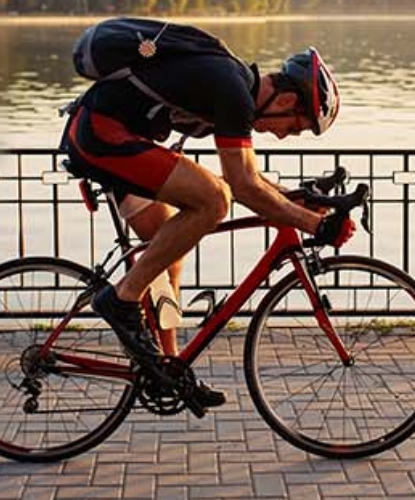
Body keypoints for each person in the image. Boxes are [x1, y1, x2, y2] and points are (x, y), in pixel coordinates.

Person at [60, 46, 352, 410]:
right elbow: (243, 187)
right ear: (287, 99)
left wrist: (299, 199)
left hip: (112, 135)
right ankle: (120, 300)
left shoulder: (236, 88)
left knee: (169, 257)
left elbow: (250, 177)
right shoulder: (231, 89)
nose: (282, 136)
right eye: (293, 127)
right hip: (103, 136)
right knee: (215, 200)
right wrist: (315, 225)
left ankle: (168, 368)